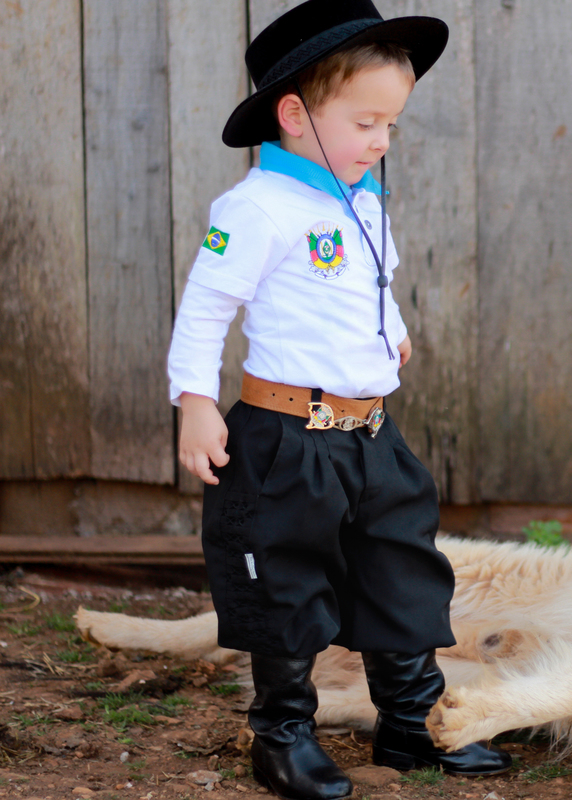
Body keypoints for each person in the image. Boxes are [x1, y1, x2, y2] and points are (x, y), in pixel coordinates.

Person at [166, 2, 511, 798]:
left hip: (370, 433)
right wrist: (195, 400)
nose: (381, 139)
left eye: (390, 123)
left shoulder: (359, 198)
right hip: (287, 436)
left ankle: (410, 721)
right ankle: (283, 733)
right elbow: (206, 308)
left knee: (399, 568)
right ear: (294, 116)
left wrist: (393, 332)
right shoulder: (257, 207)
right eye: (364, 122)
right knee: (284, 580)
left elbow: (371, 281)